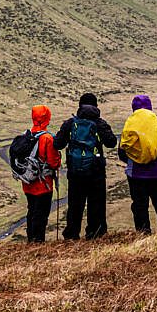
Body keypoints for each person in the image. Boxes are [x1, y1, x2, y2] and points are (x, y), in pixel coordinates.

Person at [52, 93, 116, 240]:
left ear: (80, 105)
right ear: (96, 106)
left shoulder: (71, 123)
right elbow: (112, 142)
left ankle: (71, 234)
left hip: (75, 173)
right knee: (96, 204)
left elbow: (57, 144)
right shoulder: (100, 123)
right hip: (96, 172)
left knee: (75, 204)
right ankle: (96, 233)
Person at [118, 95, 157, 234]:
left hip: (136, 174)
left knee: (139, 205)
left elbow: (122, 151)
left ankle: (143, 233)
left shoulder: (129, 125)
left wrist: (133, 161)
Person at [21, 105, 62, 243]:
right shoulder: (47, 139)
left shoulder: (26, 135)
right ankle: (38, 242)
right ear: (46, 118)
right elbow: (54, 163)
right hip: (43, 184)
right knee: (41, 214)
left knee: (31, 211)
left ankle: (31, 240)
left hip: (27, 182)